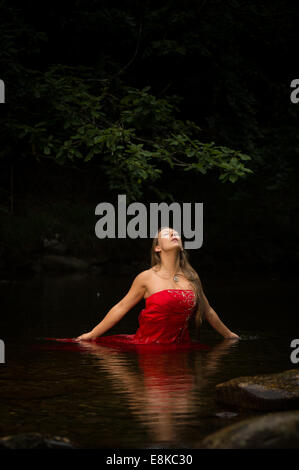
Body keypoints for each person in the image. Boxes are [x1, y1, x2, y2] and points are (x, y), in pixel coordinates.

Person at [76, 226, 240, 344]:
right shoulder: (146, 277)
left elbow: (208, 311)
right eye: (167, 233)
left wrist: (229, 335)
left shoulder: (192, 277)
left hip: (180, 349)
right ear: (157, 248)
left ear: (182, 246)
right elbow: (121, 307)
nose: (173, 234)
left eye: (175, 233)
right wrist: (92, 334)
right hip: (149, 347)